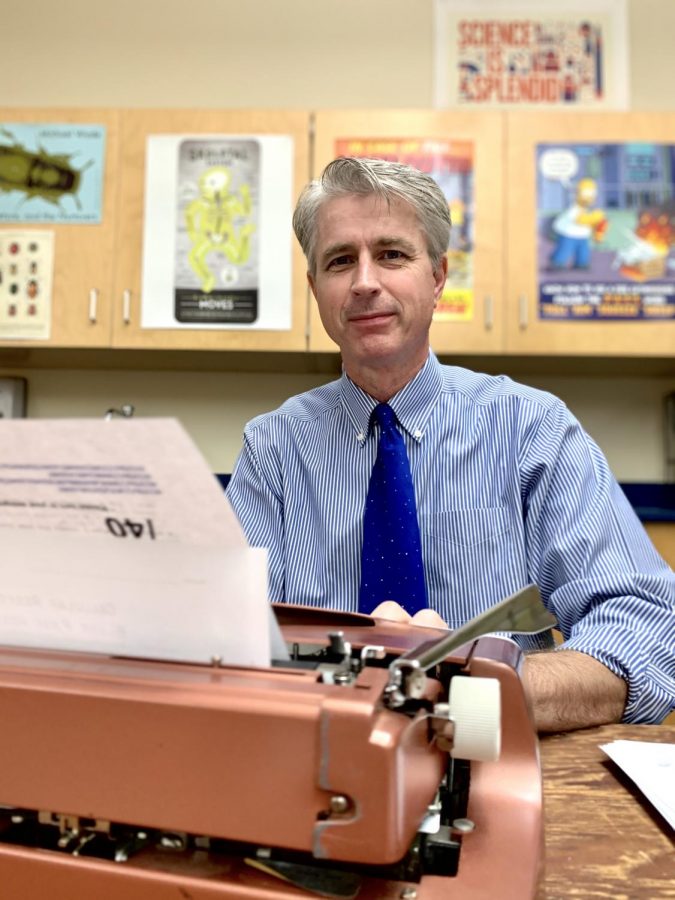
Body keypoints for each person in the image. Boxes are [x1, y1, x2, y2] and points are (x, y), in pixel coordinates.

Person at [226, 157, 674, 733]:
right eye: (341, 261)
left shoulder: (531, 429)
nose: (365, 281)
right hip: (319, 756)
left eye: (391, 254)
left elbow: (645, 631)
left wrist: (476, 687)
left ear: (438, 277)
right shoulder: (273, 448)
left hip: (490, 752)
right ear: (316, 289)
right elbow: (227, 640)